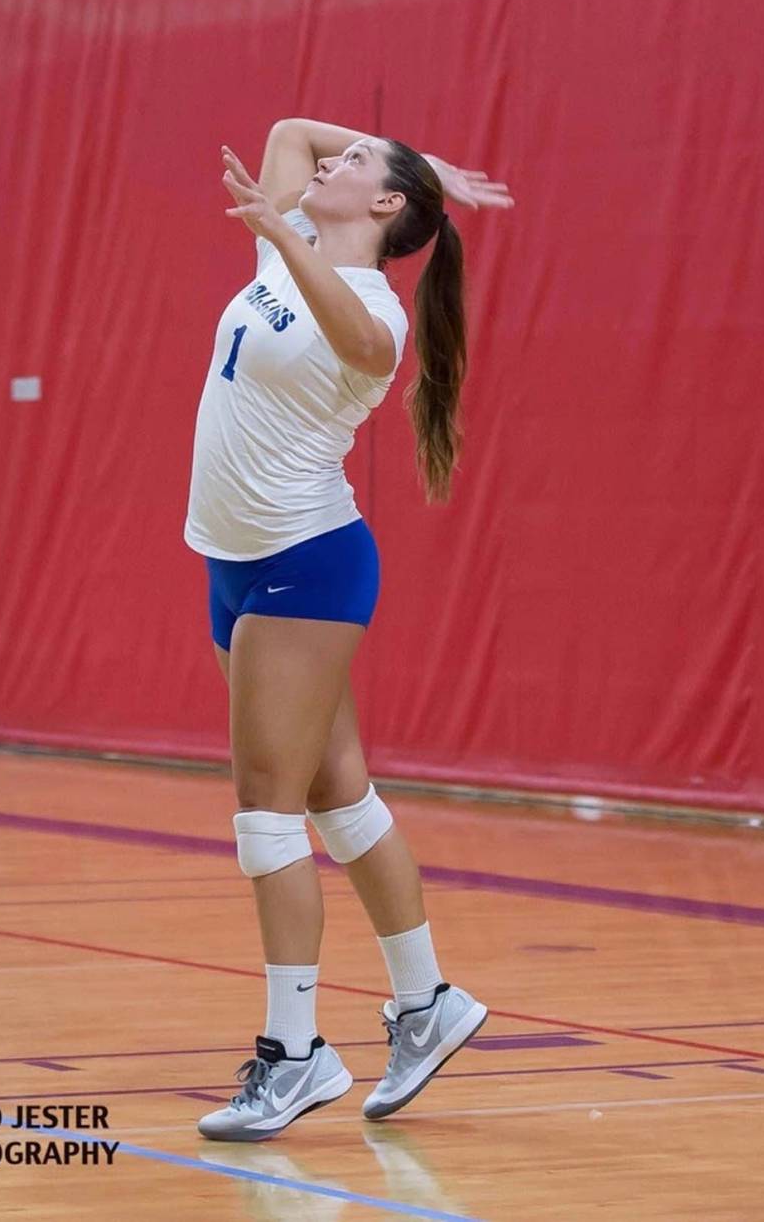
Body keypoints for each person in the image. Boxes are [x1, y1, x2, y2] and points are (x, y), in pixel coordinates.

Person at [183, 117, 514, 1141]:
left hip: (304, 565)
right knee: (336, 795)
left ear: (383, 212)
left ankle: (295, 1055)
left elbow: (365, 345)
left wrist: (293, 234)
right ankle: (428, 1002)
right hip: (231, 563)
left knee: (263, 811)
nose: (332, 162)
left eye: (359, 167)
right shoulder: (294, 235)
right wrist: (428, 168)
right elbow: (290, 129)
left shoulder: (369, 302)